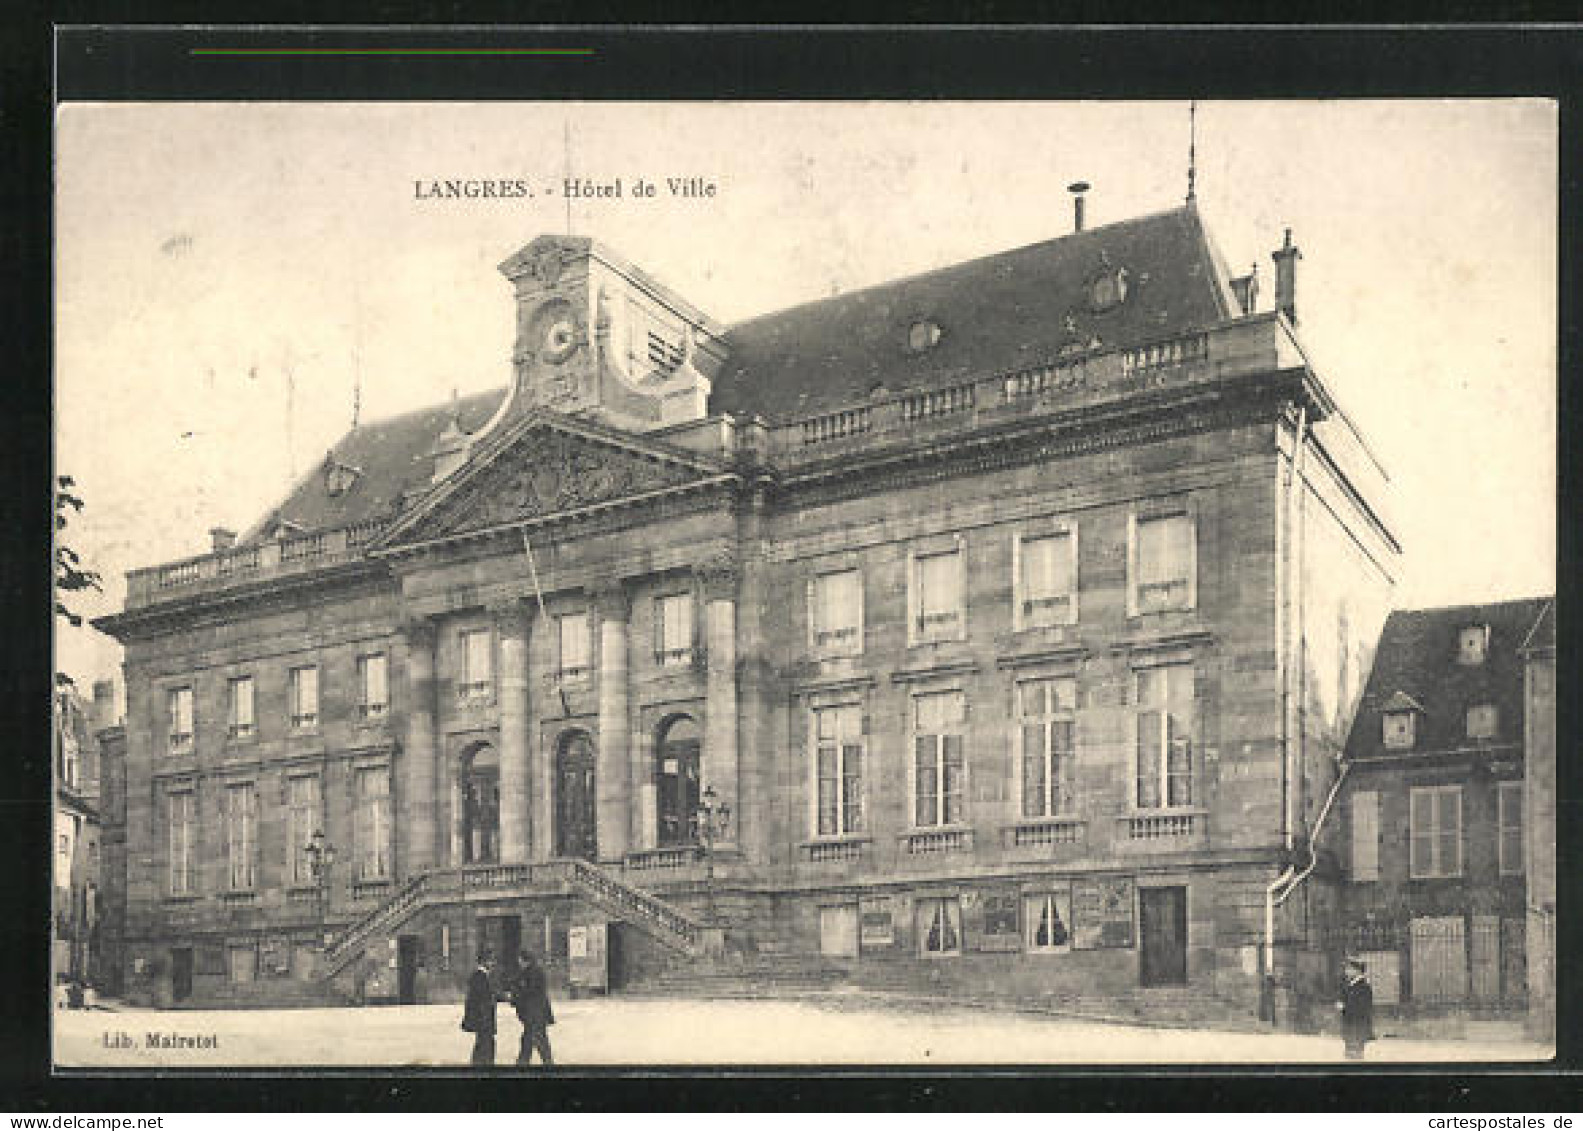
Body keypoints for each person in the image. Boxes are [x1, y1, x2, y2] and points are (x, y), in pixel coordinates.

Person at [511, 950, 555, 1067]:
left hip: (535, 1013)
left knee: (539, 1040)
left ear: (525, 960)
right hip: (533, 1013)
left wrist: (515, 995)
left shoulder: (534, 972)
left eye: (520, 960)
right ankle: (523, 1063)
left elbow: (530, 991)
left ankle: (547, 1064)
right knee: (529, 1040)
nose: (519, 963)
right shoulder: (530, 971)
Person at [461, 951, 497, 1067]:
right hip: (483, 1018)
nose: (493, 963)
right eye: (491, 961)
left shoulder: (482, 976)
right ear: (484, 962)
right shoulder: (479, 976)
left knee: (482, 1043)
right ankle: (486, 1067)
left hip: (483, 1017)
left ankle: (477, 1065)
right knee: (486, 1043)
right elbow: (482, 998)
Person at [1337, 956, 1374, 1060]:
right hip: (1350, 1024)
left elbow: (1362, 1007)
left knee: (1356, 1054)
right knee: (1350, 1053)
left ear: (1357, 970)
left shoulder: (1364, 986)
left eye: (1349, 969)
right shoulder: (1350, 985)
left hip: (1358, 1025)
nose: (1346, 972)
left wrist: (1345, 1006)